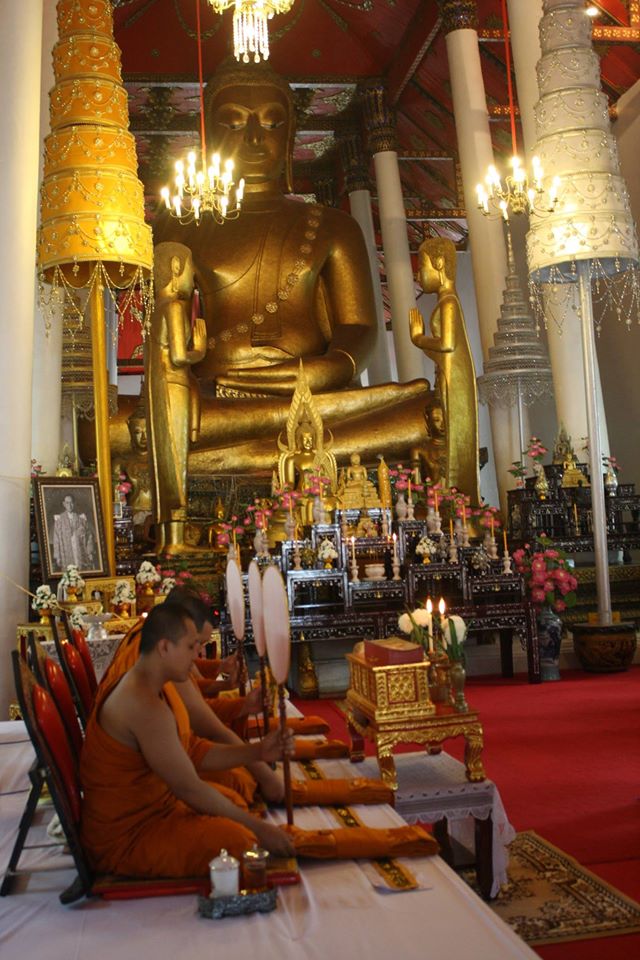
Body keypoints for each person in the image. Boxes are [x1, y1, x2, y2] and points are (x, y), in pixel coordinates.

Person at [80, 603, 296, 878]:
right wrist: (261, 830)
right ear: (164, 647)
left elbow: (192, 750)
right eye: (191, 646)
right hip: (126, 837)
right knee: (240, 842)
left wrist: (258, 751)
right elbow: (188, 787)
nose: (196, 655)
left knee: (232, 800)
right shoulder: (142, 704)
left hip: (159, 807)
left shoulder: (152, 685)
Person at [409, 237, 481, 504]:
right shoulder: (446, 301)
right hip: (447, 376)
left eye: (422, 267)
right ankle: (452, 496)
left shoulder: (448, 302)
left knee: (454, 436)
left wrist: (418, 339)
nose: (418, 275)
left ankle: (458, 497)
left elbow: (447, 344)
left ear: (439, 263)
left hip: (454, 381)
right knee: (449, 435)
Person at [51, 494, 97, 572]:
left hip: (80, 552)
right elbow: (56, 539)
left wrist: (90, 552)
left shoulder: (81, 519)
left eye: (71, 502)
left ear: (74, 503)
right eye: (67, 503)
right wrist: (57, 556)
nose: (69, 505)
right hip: (66, 554)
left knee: (82, 571)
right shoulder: (59, 520)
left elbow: (89, 536)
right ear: (64, 504)